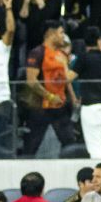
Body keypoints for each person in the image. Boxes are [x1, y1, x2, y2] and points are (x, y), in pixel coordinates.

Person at [24, 21, 75, 157]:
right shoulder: (37, 53)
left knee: (69, 141)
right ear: (51, 34)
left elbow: (66, 79)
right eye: (61, 32)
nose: (63, 37)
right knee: (31, 144)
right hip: (41, 106)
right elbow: (31, 81)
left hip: (60, 106)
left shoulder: (61, 55)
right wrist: (50, 96)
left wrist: (73, 98)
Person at [71, 27, 101, 159]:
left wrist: (64, 64)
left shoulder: (83, 58)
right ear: (99, 40)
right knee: (100, 142)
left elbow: (69, 77)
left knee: (95, 145)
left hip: (91, 106)